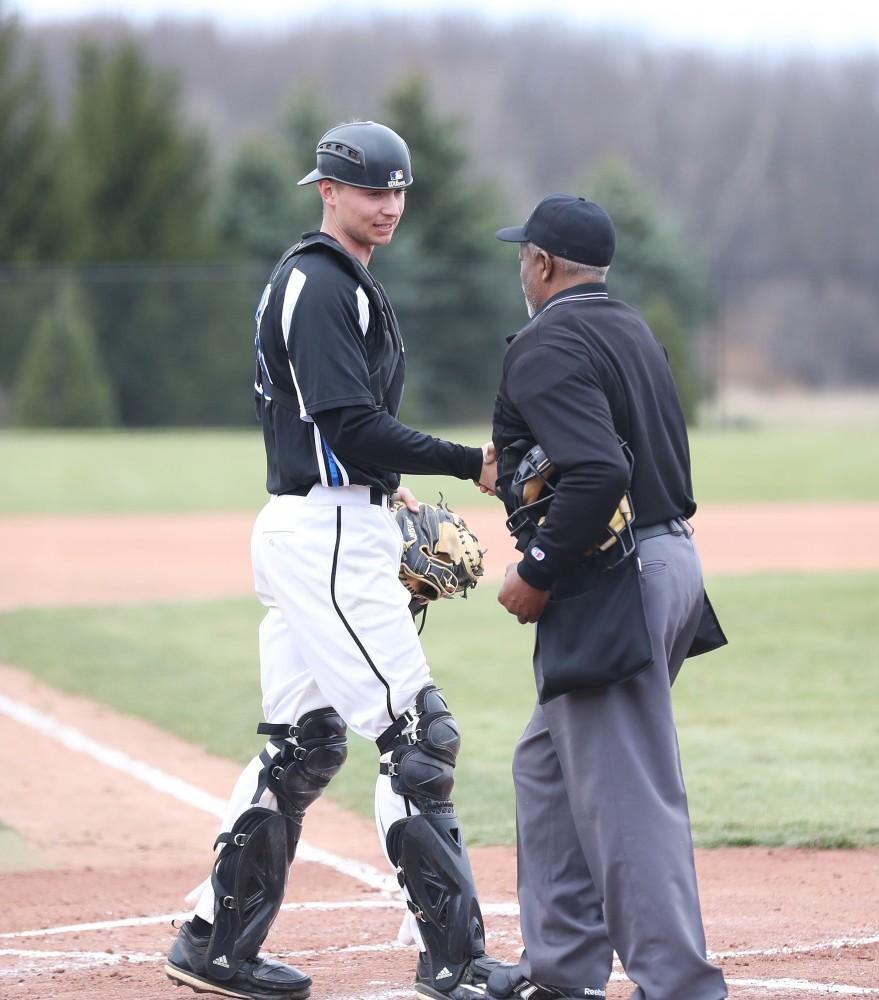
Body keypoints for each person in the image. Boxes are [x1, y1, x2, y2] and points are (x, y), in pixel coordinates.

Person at [164, 121, 502, 1000]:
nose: (387, 205)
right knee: (418, 738)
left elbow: (334, 434)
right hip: (327, 537)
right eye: (369, 190)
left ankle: (214, 942)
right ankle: (456, 962)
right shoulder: (319, 283)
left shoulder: (334, 280)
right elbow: (347, 425)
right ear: (328, 191)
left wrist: (387, 489)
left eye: (398, 190)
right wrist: (472, 464)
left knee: (305, 745)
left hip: (323, 523)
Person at [485, 194, 729, 1000]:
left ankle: (680, 985)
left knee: (626, 796)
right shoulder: (629, 329)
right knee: (545, 767)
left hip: (612, 578)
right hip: (665, 565)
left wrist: (538, 569)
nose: (521, 264)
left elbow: (599, 470)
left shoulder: (547, 342)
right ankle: (560, 973)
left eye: (526, 254)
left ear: (545, 265)